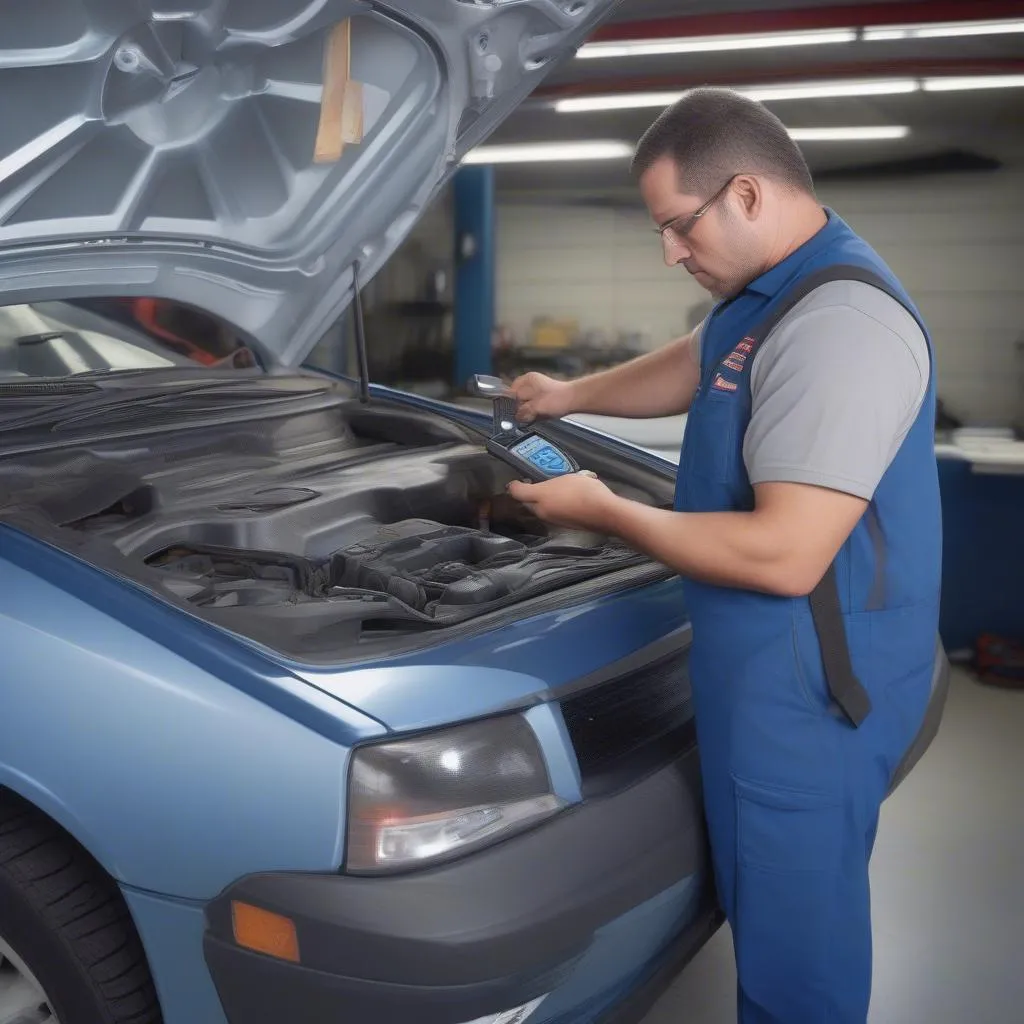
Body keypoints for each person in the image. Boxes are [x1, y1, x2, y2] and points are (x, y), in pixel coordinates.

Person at [506, 88, 941, 1024]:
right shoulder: (769, 292)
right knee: (768, 906)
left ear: (745, 194)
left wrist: (604, 509)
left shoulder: (841, 325)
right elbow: (696, 361)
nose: (670, 251)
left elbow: (786, 555)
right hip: (761, 669)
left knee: (797, 955)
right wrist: (567, 395)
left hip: (813, 693)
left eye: (678, 225)